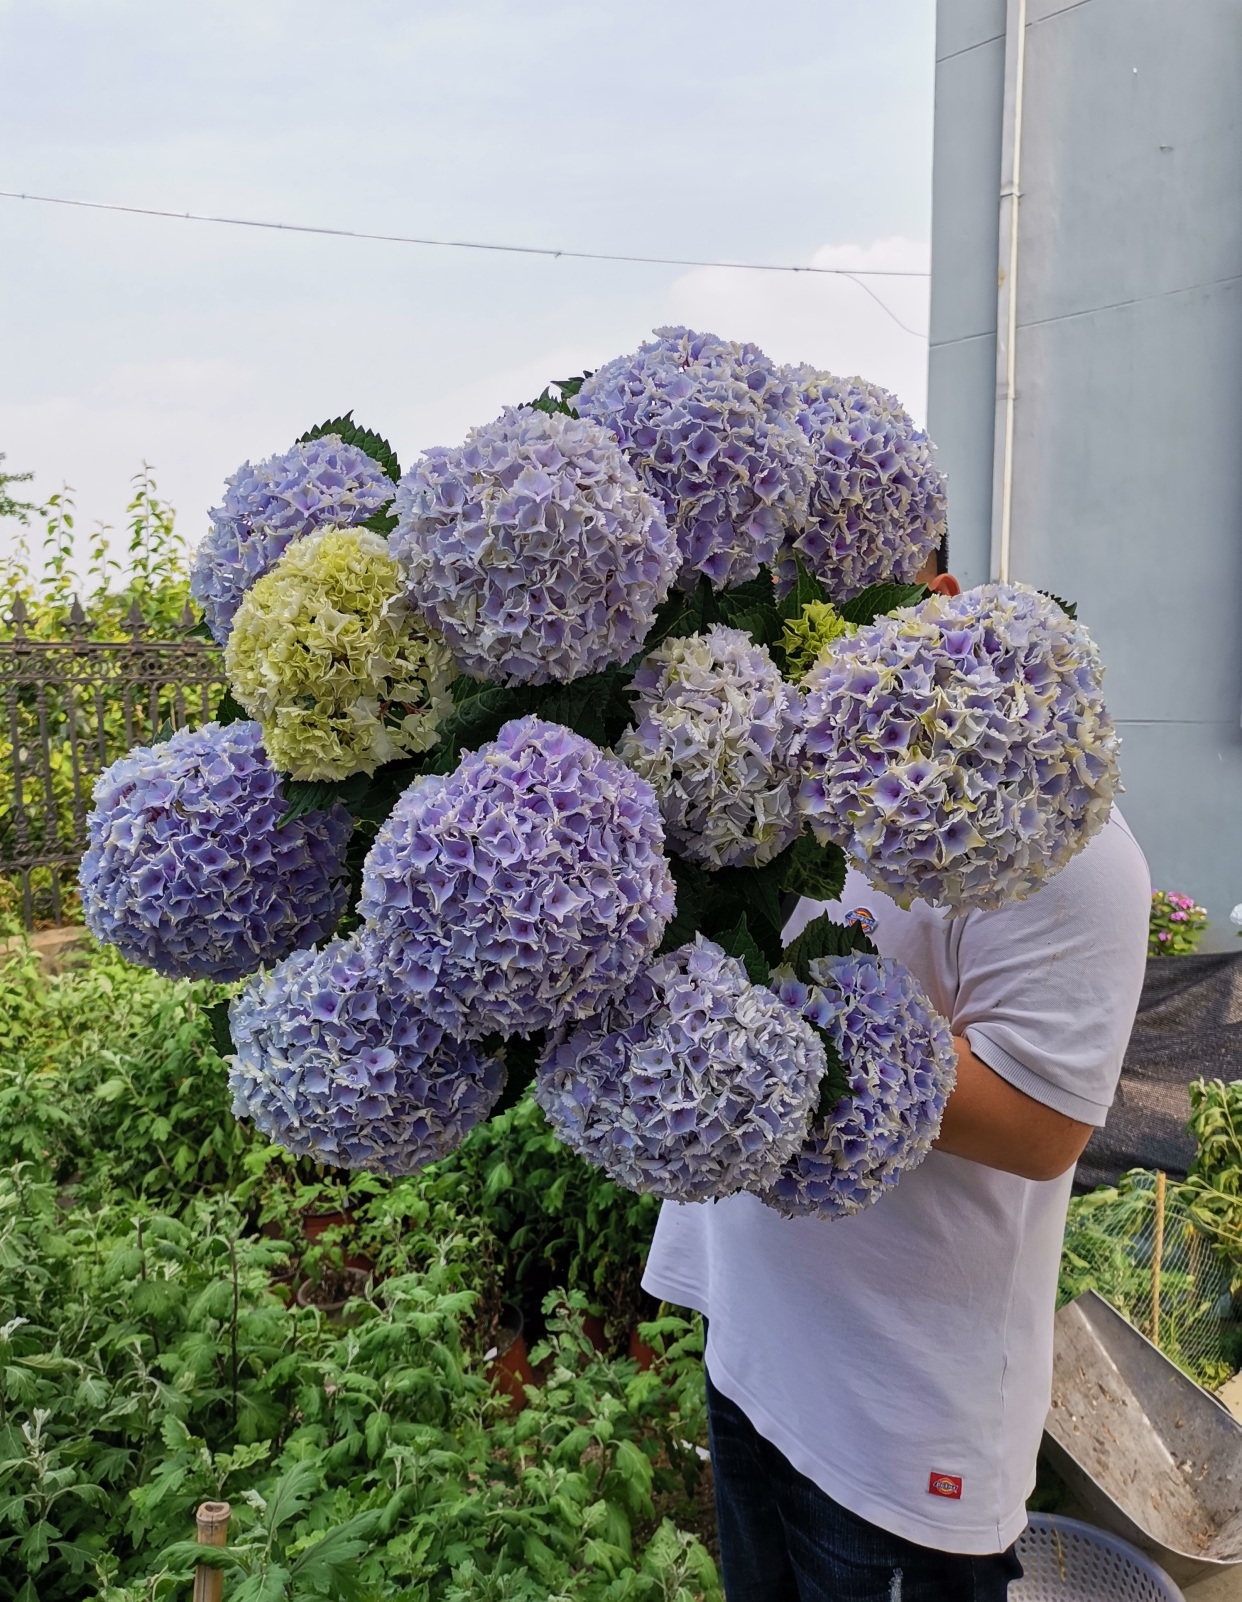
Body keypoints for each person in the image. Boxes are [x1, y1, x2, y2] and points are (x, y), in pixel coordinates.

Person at [641, 549, 1152, 1602]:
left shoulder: (1073, 846)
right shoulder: (794, 765)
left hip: (898, 1431)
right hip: (755, 1348)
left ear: (943, 601)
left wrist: (776, 1036)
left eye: (845, 600)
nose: (808, 632)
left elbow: (1043, 1126)